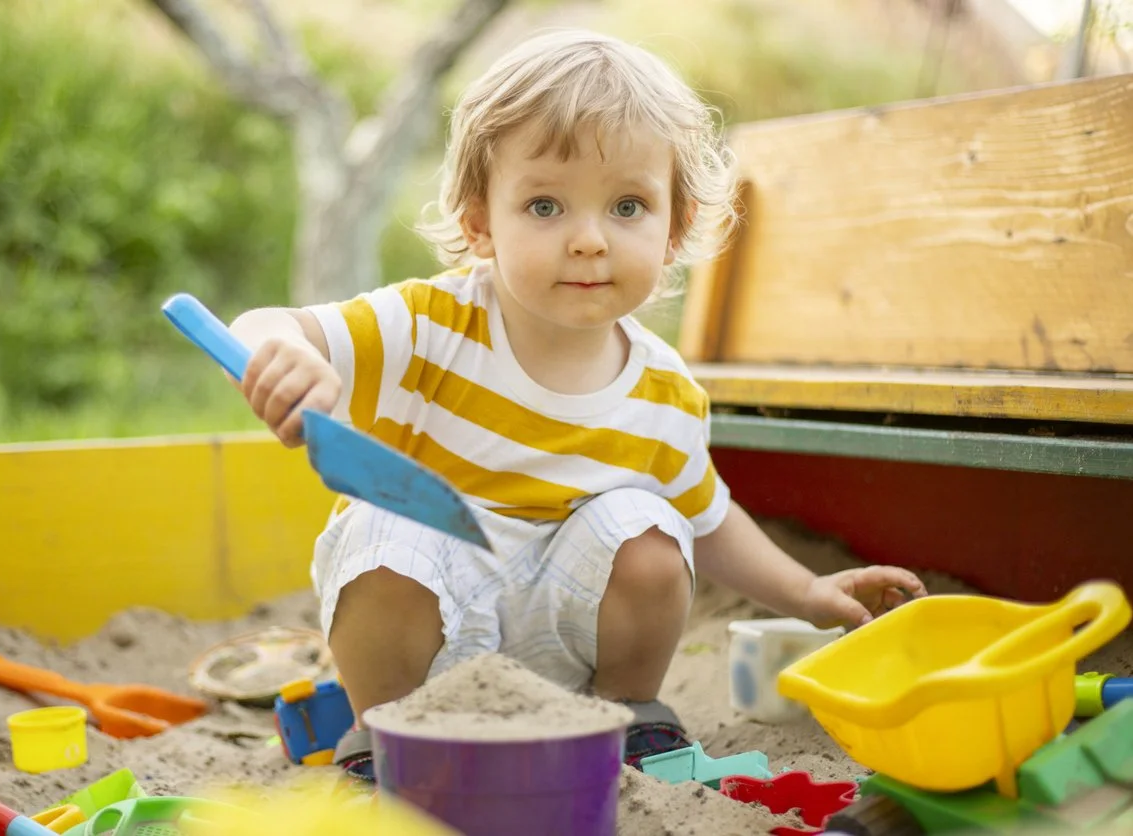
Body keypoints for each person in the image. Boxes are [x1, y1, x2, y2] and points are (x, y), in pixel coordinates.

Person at [227, 28, 927, 782]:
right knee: (380, 524)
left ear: (675, 229)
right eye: (544, 206)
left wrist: (807, 591)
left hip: (566, 653)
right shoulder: (428, 324)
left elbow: (708, 516)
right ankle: (382, 737)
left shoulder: (663, 391)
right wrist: (280, 351)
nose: (589, 240)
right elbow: (268, 325)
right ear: (478, 223)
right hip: (430, 640)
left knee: (650, 527)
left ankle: (625, 721)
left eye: (627, 206)